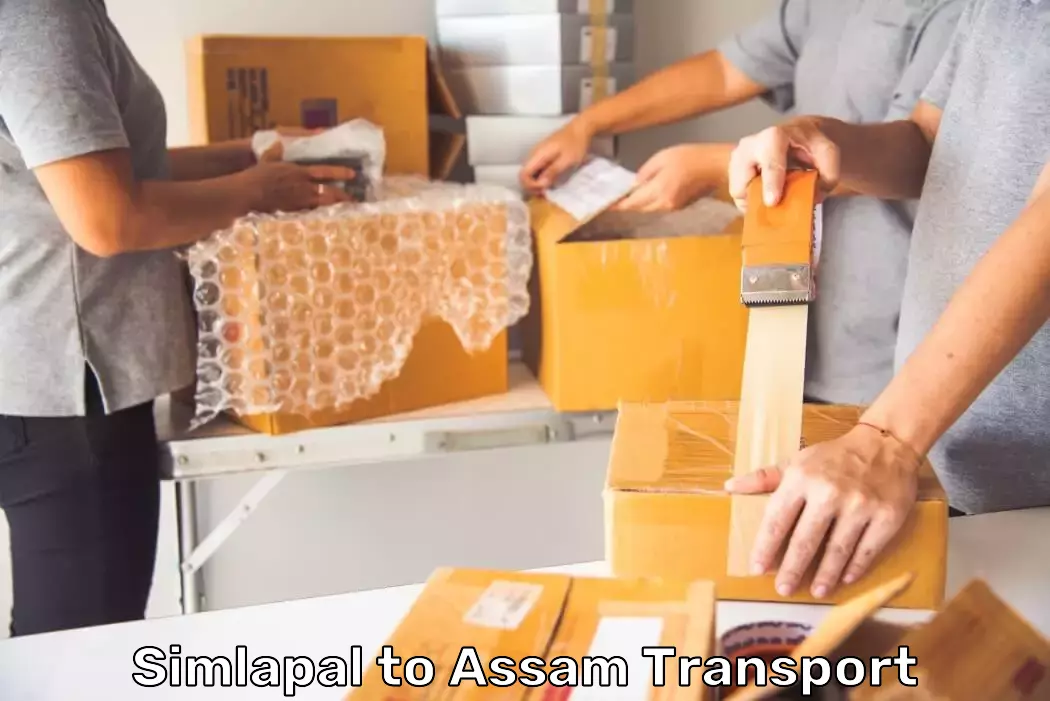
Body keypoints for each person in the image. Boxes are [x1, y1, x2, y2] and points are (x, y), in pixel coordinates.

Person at [0, 0, 357, 636]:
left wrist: (248, 157)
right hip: (65, 389)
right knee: (80, 651)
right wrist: (257, 191)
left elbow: (104, 168)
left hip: (38, 372)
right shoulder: (37, 14)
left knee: (67, 640)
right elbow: (109, 219)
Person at [724, 0, 1050, 602]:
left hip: (1033, 491)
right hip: (948, 457)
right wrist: (824, 142)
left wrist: (889, 439)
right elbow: (932, 141)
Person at [521, 0, 965, 409]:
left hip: (885, 348)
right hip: (792, 329)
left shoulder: (964, 14)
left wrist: (721, 165)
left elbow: (916, 154)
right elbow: (724, 71)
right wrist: (587, 125)